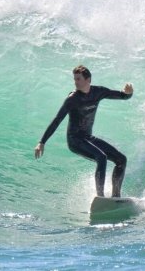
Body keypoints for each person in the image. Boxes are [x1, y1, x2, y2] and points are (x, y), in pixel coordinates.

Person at [34, 65, 134, 197]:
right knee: (101, 157)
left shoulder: (98, 92)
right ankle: (100, 197)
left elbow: (123, 96)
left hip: (87, 137)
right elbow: (57, 119)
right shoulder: (72, 99)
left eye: (78, 79)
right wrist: (42, 142)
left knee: (121, 160)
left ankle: (116, 197)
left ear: (88, 80)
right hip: (75, 140)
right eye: (74, 79)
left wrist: (129, 92)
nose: (75, 82)